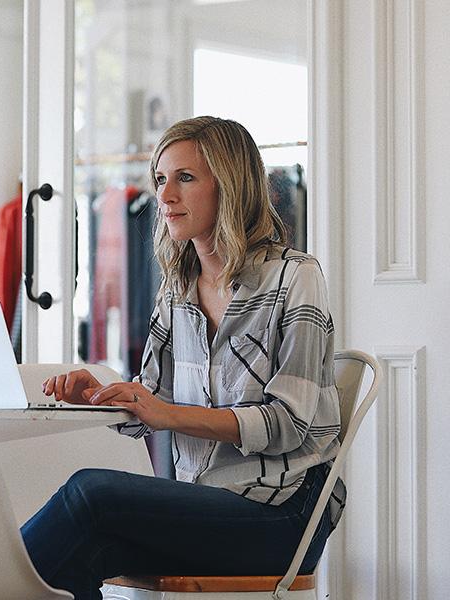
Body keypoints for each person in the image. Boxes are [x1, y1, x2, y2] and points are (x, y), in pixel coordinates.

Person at [20, 116, 344, 600]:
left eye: (185, 178)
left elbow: (289, 424)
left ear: (230, 186)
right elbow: (151, 399)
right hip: (207, 504)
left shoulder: (295, 277)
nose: (165, 195)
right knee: (79, 555)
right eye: (159, 180)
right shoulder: (177, 288)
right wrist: (103, 395)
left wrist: (164, 413)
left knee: (91, 493)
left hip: (284, 512)